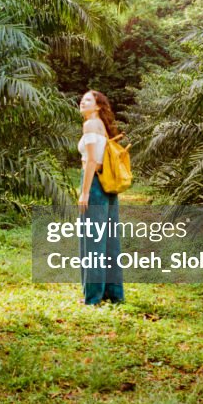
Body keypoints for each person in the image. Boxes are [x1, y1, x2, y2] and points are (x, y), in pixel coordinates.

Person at [77, 89, 124, 305]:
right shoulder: (102, 126)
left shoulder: (90, 125)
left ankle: (93, 297)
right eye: (82, 99)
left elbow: (92, 163)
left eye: (88, 100)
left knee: (93, 241)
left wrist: (84, 191)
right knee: (109, 242)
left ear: (97, 106)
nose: (82, 102)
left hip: (96, 185)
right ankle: (113, 294)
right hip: (109, 186)